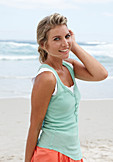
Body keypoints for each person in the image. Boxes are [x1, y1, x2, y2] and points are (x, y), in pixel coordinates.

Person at [25, 13, 108, 162]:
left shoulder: (69, 67)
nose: (64, 43)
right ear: (44, 45)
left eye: (67, 36)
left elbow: (101, 74)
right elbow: (35, 126)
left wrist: (74, 46)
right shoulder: (46, 78)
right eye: (57, 39)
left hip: (74, 154)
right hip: (51, 154)